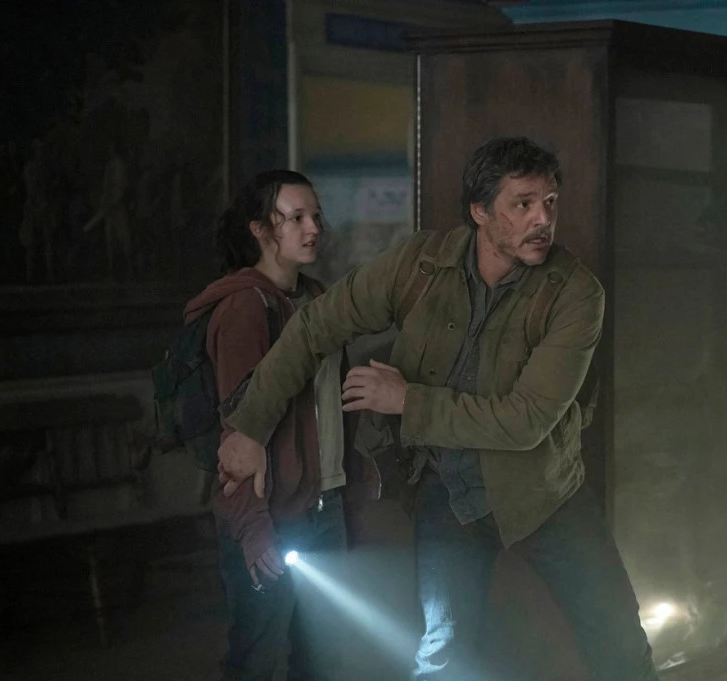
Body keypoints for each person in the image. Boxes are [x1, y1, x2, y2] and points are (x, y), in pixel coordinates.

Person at [217, 139, 659, 680]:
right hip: (448, 491)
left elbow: (525, 421)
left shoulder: (575, 293)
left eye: (549, 203)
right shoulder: (421, 264)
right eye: (523, 204)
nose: (542, 219)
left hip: (543, 491)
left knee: (620, 643)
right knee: (444, 653)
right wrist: (249, 426)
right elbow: (314, 326)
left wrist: (407, 400)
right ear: (480, 211)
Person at [183, 169, 374, 681]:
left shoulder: (319, 299)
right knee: (258, 659)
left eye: (316, 216)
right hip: (272, 514)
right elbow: (238, 432)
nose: (313, 228)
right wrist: (253, 528)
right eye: (296, 217)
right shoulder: (245, 307)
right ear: (260, 229)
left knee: (323, 661)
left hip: (323, 506)